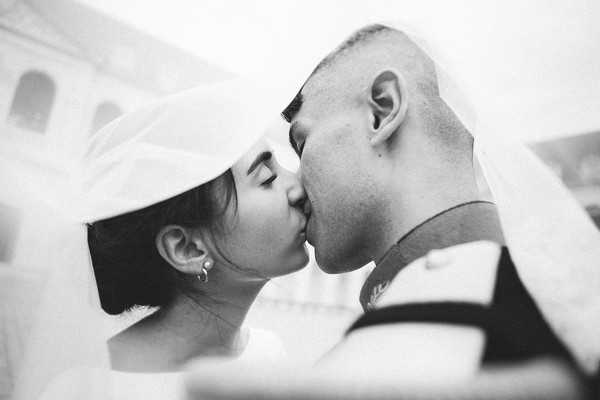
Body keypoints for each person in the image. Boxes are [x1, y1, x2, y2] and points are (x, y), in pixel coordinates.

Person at [186, 24, 599, 399]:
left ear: (381, 111)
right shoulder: (558, 296)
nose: (295, 183)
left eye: (302, 143)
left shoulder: (438, 340)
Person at [9, 78, 309, 400]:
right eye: (267, 179)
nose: (299, 187)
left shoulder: (269, 355)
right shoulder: (87, 391)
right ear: (187, 248)